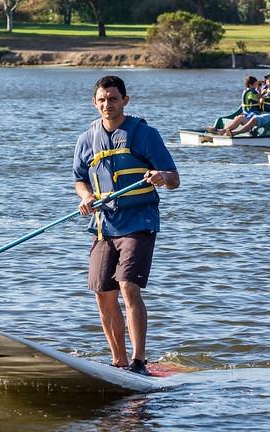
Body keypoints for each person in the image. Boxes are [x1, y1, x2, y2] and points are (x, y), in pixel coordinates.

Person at [73, 75, 180, 376]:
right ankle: (118, 362)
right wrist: (86, 196)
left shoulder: (145, 134)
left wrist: (160, 177)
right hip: (103, 225)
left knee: (127, 285)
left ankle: (139, 362)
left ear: (125, 101)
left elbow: (174, 179)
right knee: (102, 292)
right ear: (94, 103)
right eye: (102, 100)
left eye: (113, 98)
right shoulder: (86, 139)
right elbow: (79, 178)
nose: (108, 104)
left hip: (139, 222)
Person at [224, 69, 270, 136]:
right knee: (239, 118)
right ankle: (223, 131)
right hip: (262, 112)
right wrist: (260, 89)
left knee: (255, 118)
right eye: (268, 78)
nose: (269, 80)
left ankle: (235, 133)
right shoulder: (267, 87)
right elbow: (259, 99)